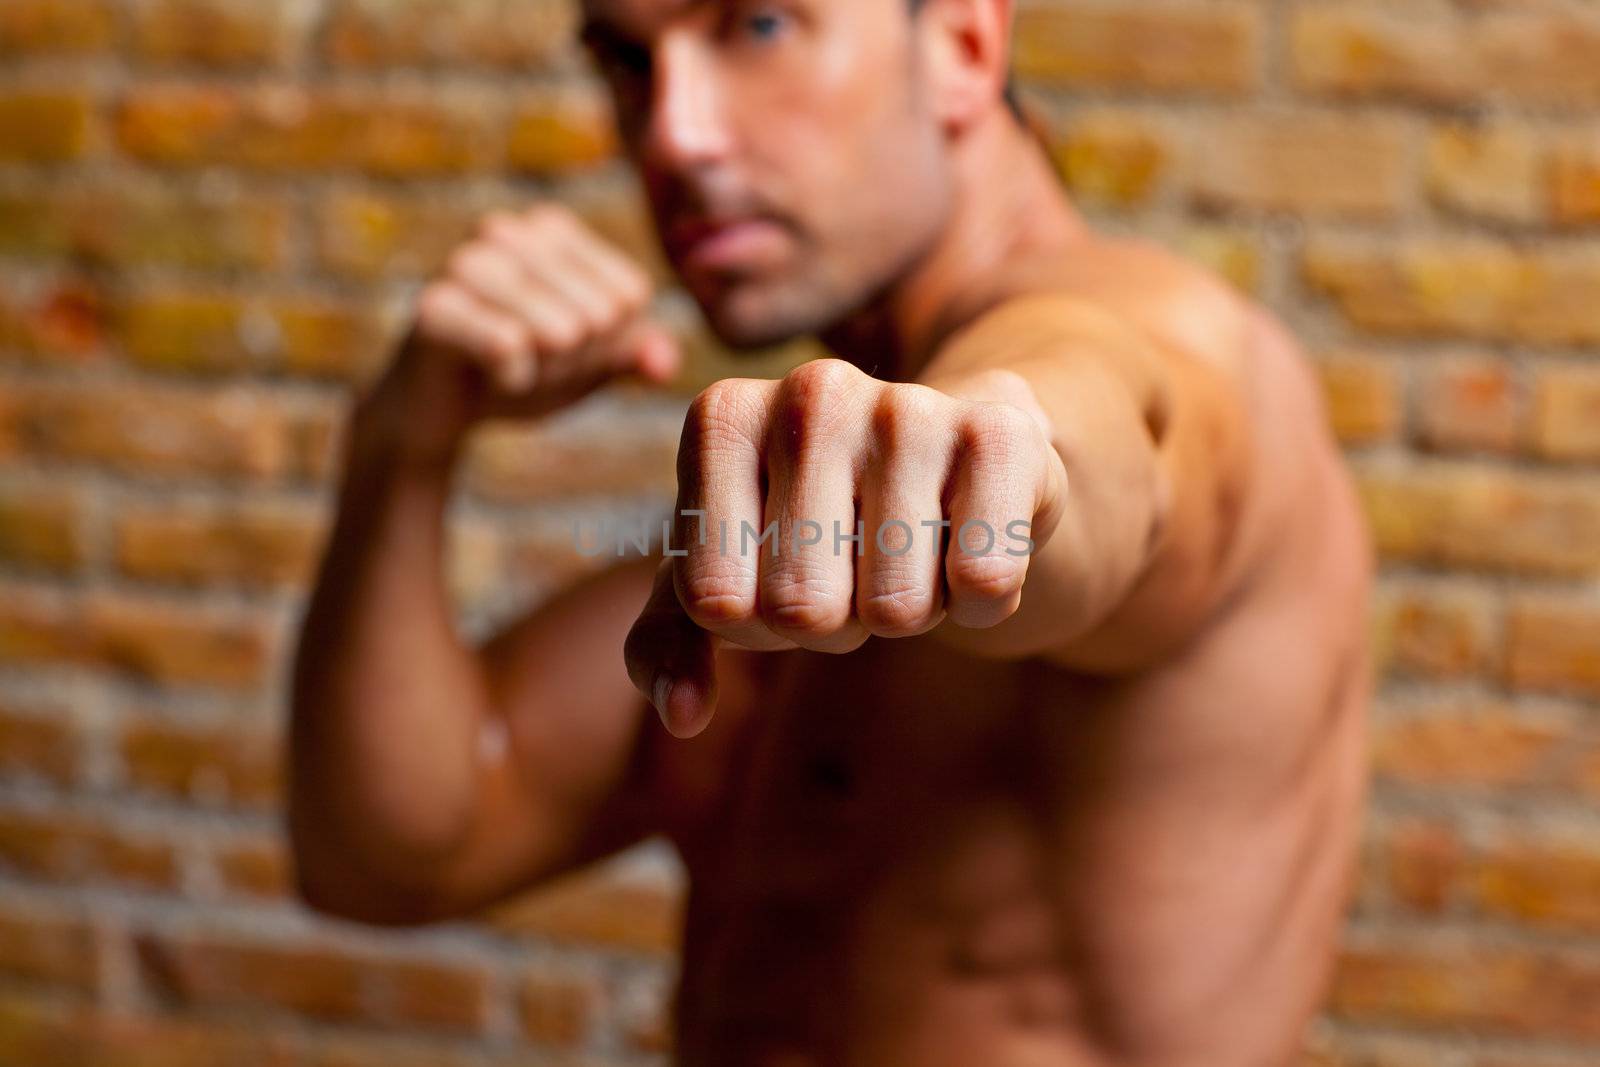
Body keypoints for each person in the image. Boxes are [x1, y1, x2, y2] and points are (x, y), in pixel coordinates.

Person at [288, 0, 1377, 1063]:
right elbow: (388, 856)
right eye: (626, 61)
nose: (674, 133)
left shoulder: (1171, 343)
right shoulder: (787, 534)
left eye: (757, 26)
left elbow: (1111, 448)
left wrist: (1003, 454)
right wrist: (400, 448)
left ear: (960, 45)